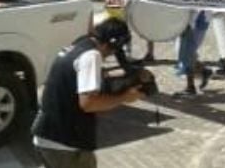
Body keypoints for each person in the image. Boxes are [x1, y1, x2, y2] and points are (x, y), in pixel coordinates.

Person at [32, 18, 144, 168]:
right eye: (114, 50)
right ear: (110, 44)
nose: (111, 55)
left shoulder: (80, 44)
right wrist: (125, 97)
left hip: (47, 135)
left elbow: (78, 78)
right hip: (64, 144)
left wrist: (126, 77)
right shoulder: (92, 56)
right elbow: (88, 103)